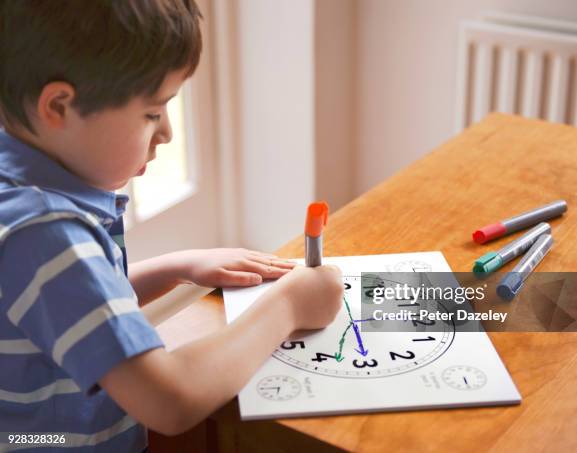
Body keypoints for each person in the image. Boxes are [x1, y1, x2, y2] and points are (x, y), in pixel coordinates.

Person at [0, 1, 343, 451]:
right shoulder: (46, 233)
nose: (166, 135)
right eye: (151, 113)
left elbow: (69, 308)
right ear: (60, 106)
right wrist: (289, 307)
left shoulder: (21, 184)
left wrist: (173, 266)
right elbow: (170, 399)